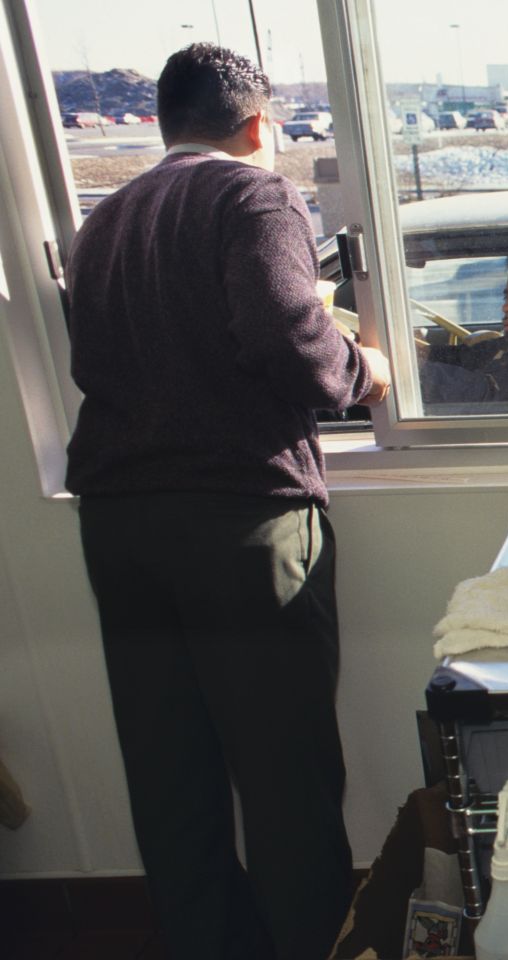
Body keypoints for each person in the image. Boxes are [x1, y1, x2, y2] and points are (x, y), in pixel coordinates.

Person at [63, 44, 391, 960]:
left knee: (172, 781)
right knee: (285, 779)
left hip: (119, 526)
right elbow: (288, 334)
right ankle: (313, 946)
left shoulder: (105, 222)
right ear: (257, 125)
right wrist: (361, 371)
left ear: (167, 126)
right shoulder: (254, 194)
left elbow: (98, 358)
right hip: (240, 522)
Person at [419, 255, 508, 403]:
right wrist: (422, 352)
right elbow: (464, 356)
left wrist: (416, 370)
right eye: (507, 297)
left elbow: (483, 395)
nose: (506, 307)